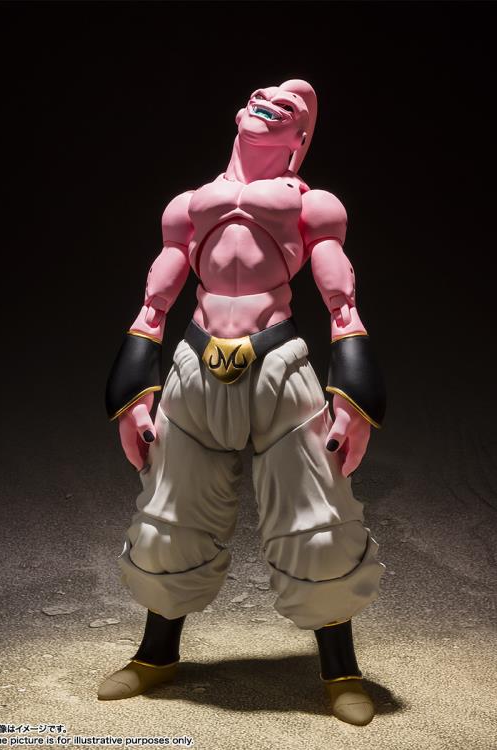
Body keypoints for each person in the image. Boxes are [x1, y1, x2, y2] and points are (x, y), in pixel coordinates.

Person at [101, 79, 386, 726]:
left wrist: (353, 401)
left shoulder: (311, 206)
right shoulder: (187, 206)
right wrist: (133, 393)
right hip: (193, 362)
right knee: (170, 512)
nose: (273, 98)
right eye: (265, 93)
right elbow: (153, 304)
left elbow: (342, 303)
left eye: (292, 106)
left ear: (299, 138)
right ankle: (155, 655)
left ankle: (340, 668)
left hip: (278, 364)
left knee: (318, 517)